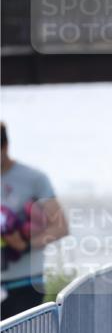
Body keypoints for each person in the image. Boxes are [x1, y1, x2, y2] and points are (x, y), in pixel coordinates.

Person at [1, 122, 69, 320]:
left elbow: (60, 226)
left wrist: (25, 244)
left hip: (24, 284)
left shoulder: (34, 179)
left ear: (5, 146)